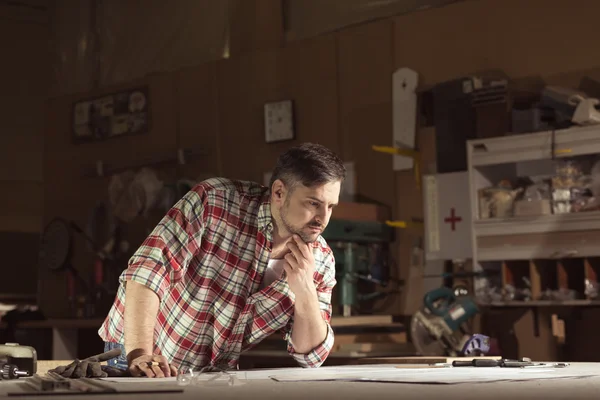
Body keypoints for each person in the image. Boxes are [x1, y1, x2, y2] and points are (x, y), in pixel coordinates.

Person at [97, 142, 346, 378]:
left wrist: (305, 292)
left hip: (206, 375)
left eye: (331, 206)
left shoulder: (321, 260)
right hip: (134, 352)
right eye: (313, 203)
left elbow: (312, 356)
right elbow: (148, 271)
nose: (323, 218)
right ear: (279, 192)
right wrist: (141, 355)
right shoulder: (215, 202)